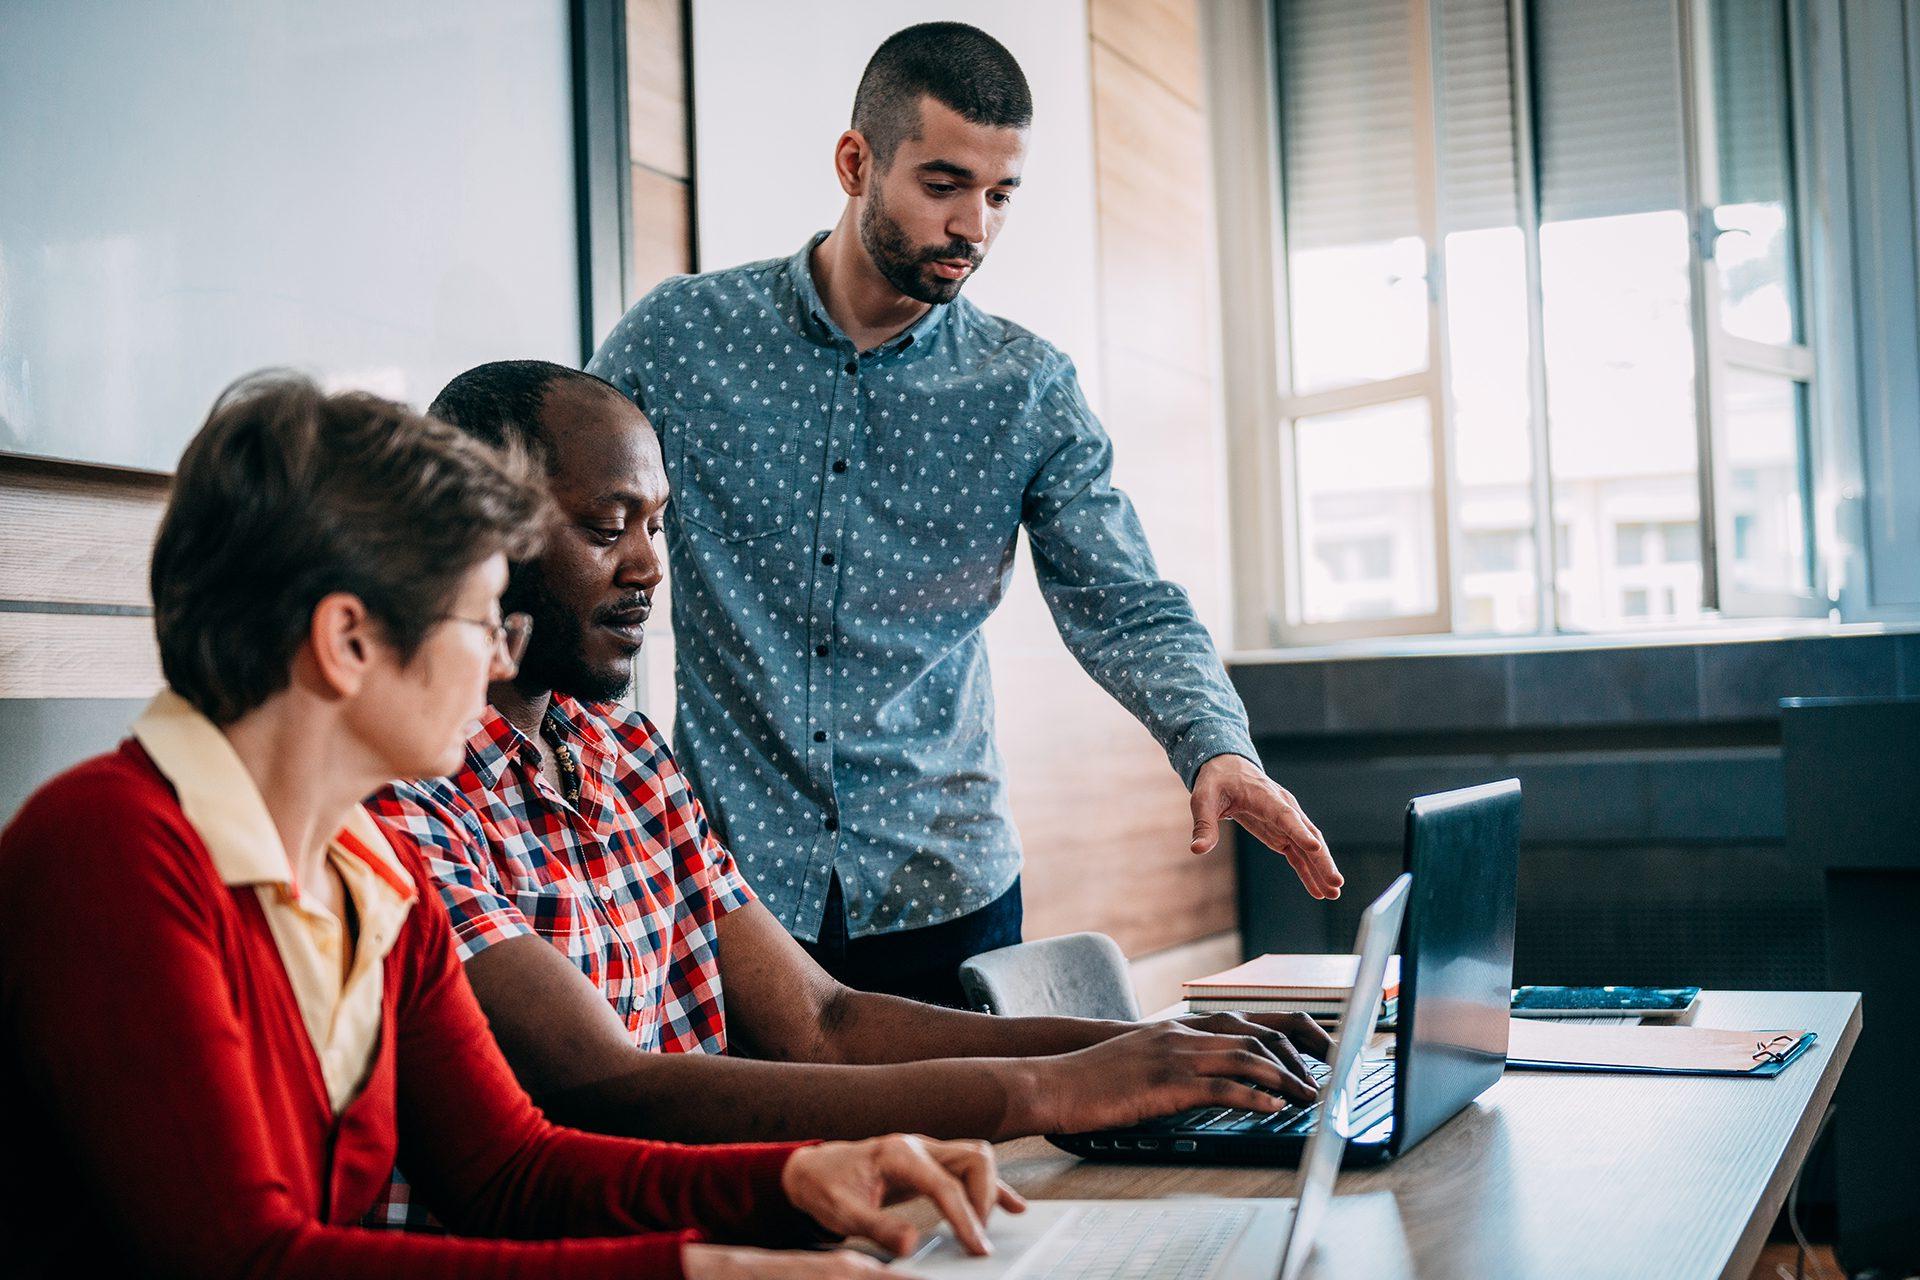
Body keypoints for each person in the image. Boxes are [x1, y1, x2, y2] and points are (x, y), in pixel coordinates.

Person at [0, 371, 1016, 1279]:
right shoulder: (108, 847)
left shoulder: (367, 863)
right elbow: (247, 1256)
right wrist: (703, 1269)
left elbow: (510, 1167)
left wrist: (796, 1178)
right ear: (348, 640)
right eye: (484, 621)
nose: (498, 659)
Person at [364, 360, 1333, 1230]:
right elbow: (605, 1087)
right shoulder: (402, 796)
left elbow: (821, 1020)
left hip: (715, 1233)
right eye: (605, 527)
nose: (650, 565)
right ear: (478, 538)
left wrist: (1156, 1042)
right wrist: (1054, 1087)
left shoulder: (618, 747)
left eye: (658, 524)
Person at [586, 21, 1342, 1004]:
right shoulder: (682, 338)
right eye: (943, 185)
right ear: (856, 162)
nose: (974, 226)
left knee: (968, 1163)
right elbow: (556, 520)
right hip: (728, 889)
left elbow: (1125, 599)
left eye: (1000, 194)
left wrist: (1217, 741)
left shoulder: (1025, 387)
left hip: (944, 893)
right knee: (762, 1162)